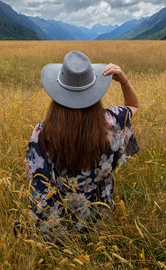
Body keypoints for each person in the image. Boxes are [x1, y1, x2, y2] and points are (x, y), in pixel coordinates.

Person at [22, 50, 139, 236]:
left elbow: (33, 175)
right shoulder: (113, 122)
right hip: (99, 220)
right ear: (94, 90)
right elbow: (134, 105)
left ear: (58, 93)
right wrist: (123, 80)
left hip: (56, 225)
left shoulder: (42, 132)